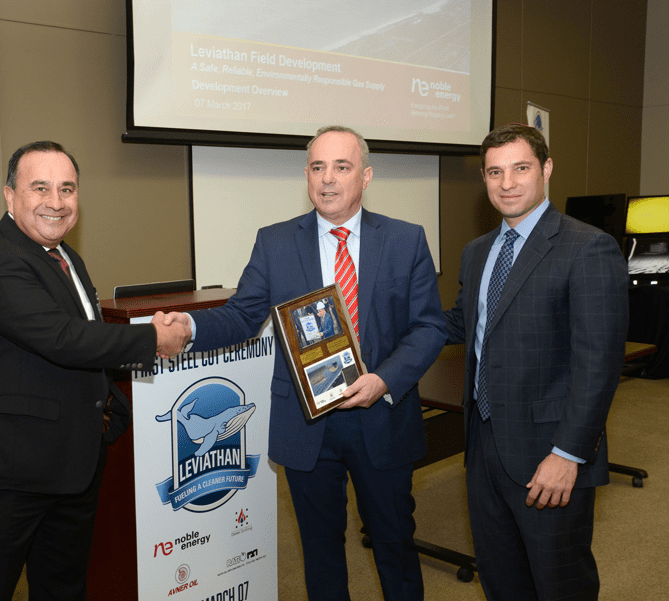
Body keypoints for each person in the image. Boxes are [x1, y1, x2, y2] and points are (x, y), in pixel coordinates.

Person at [163, 126, 446, 600]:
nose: (328, 179)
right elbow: (242, 315)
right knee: (320, 553)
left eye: (342, 166)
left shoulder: (406, 240)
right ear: (307, 176)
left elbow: (429, 327)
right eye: (318, 167)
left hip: (383, 416)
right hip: (307, 425)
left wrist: (384, 379)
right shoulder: (274, 243)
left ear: (367, 175)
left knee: (395, 547)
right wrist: (189, 329)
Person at [0, 141, 189, 601]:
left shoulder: (64, 257)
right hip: (9, 473)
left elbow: (87, 337)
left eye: (67, 189)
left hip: (71, 464)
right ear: (9, 196)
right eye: (40, 188)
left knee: (62, 588)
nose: (56, 202)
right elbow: (60, 338)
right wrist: (152, 339)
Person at [443, 124, 628, 600]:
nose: (507, 183)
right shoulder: (476, 252)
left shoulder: (587, 247)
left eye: (520, 168)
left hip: (549, 453)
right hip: (484, 446)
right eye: (494, 172)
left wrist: (568, 454)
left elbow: (599, 365)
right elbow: (463, 325)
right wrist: (370, 329)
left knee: (559, 582)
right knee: (502, 579)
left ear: (546, 169)